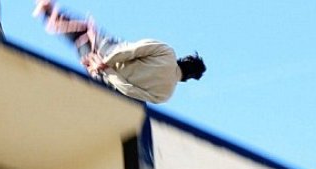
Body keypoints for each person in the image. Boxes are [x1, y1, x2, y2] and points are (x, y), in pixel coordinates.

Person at [32, 0, 206, 103]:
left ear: (184, 60)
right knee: (80, 42)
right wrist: (104, 70)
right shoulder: (165, 94)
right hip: (103, 77)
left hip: (109, 54)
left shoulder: (168, 53)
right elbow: (130, 91)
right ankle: (49, 15)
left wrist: (106, 62)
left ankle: (49, 12)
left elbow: (131, 50)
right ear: (187, 79)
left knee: (84, 31)